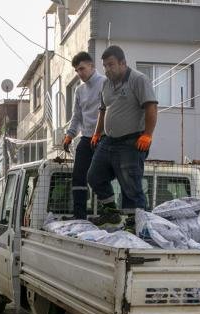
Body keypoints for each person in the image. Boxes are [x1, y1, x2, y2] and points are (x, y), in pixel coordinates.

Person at [87, 45, 158, 228]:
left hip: (131, 141)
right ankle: (111, 212)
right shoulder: (106, 83)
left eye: (111, 65)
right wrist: (96, 133)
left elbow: (151, 107)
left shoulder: (138, 80)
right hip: (108, 141)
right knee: (95, 176)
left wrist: (148, 135)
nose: (108, 69)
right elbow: (103, 110)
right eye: (105, 66)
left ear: (123, 63)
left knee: (131, 187)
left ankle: (135, 225)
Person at [63, 51, 106, 220]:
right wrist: (69, 135)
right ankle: (79, 215)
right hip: (87, 137)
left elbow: (108, 110)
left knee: (98, 176)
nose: (79, 73)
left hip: (104, 137)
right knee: (78, 175)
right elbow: (77, 116)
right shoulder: (79, 90)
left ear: (92, 66)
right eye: (76, 70)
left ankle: (107, 213)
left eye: (82, 68)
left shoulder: (105, 83)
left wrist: (99, 133)